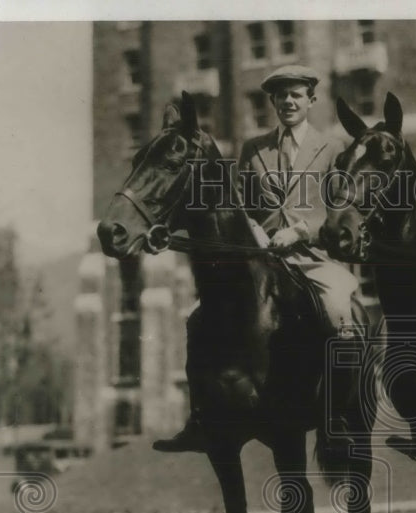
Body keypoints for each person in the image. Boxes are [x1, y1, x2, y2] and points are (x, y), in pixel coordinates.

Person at [154, 64, 361, 452]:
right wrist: (258, 232)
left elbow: (340, 209)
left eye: (296, 94)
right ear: (273, 102)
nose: (287, 101)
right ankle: (200, 418)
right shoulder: (254, 149)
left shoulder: (333, 148)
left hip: (313, 257)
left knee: (339, 311)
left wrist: (300, 230)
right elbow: (240, 206)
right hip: (261, 257)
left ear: (311, 100)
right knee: (199, 319)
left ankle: (339, 413)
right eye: (280, 95)